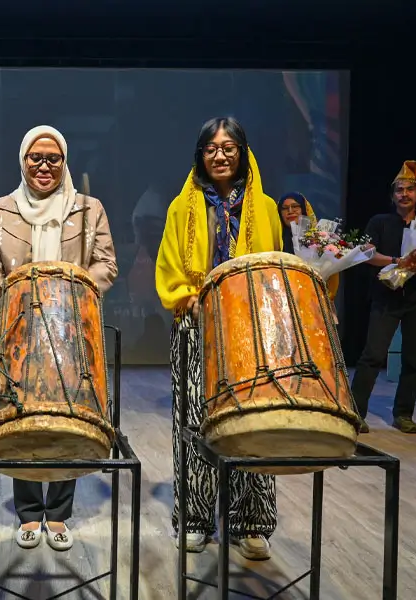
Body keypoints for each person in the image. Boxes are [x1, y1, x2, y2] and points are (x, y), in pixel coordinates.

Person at [0, 125, 118, 551]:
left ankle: (58, 513)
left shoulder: (88, 209)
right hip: (18, 328)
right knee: (19, 414)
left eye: (52, 158)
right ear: (22, 161)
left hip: (70, 329)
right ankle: (28, 512)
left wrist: (75, 298)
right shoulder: (0, 209)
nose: (43, 166)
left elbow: (105, 263)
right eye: (35, 158)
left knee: (69, 414)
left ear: (64, 162)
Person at [155, 117, 281, 560]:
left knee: (256, 421)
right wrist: (187, 296)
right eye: (211, 147)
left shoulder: (264, 208)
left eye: (229, 146)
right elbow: (170, 265)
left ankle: (252, 521)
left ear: (243, 152)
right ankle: (194, 518)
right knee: (192, 422)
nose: (220, 154)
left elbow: (273, 264)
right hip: (195, 325)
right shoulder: (181, 207)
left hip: (251, 329)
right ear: (200, 155)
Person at [349, 160, 416, 434]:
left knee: (413, 360)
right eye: (399, 190)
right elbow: (366, 255)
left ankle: (404, 414)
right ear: (392, 196)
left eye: (409, 189)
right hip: (386, 295)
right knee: (372, 355)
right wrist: (400, 261)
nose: (404, 194)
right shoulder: (380, 222)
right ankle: (355, 413)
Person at [278, 191, 340, 299]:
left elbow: (332, 276)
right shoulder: (276, 238)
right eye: (285, 208)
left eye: (295, 206)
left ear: (303, 209)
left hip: (314, 298)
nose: (290, 211)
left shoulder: (319, 238)